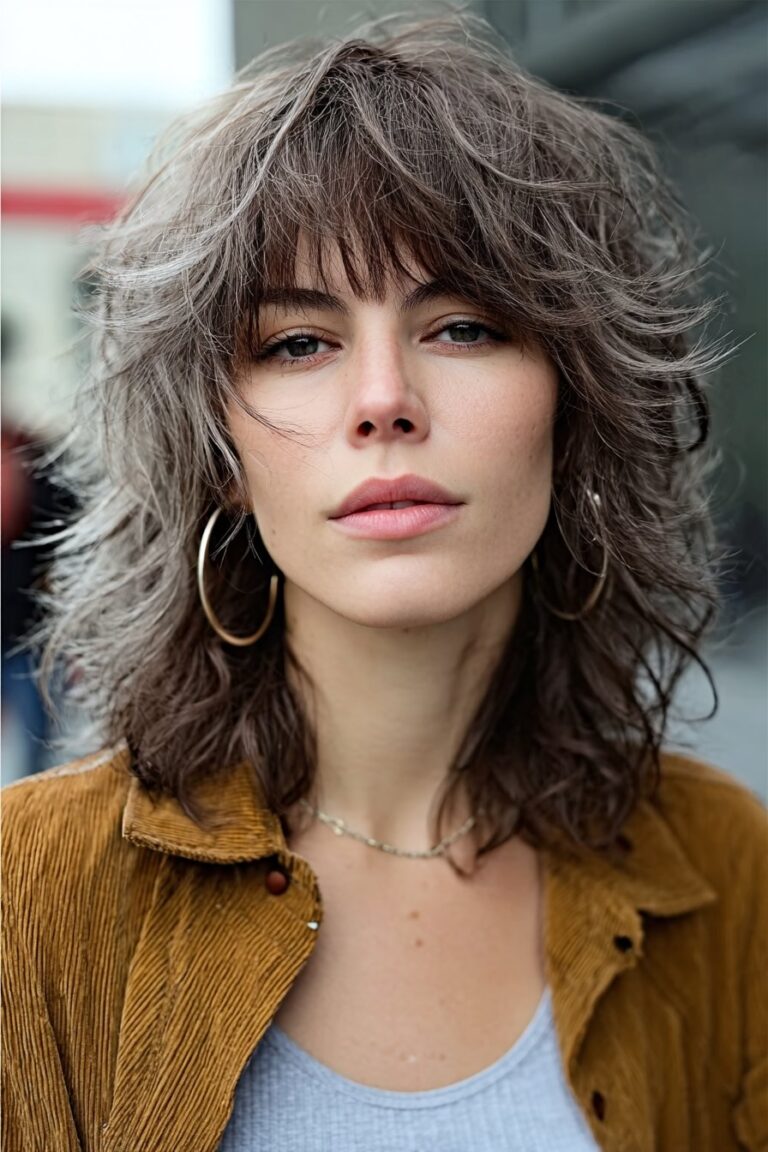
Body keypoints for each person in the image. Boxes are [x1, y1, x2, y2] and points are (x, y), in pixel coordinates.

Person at [2, 10, 765, 1152]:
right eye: (296, 344)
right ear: (219, 457)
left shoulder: (723, 867)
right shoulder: (27, 893)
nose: (382, 397)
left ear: (577, 405)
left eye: (462, 325)